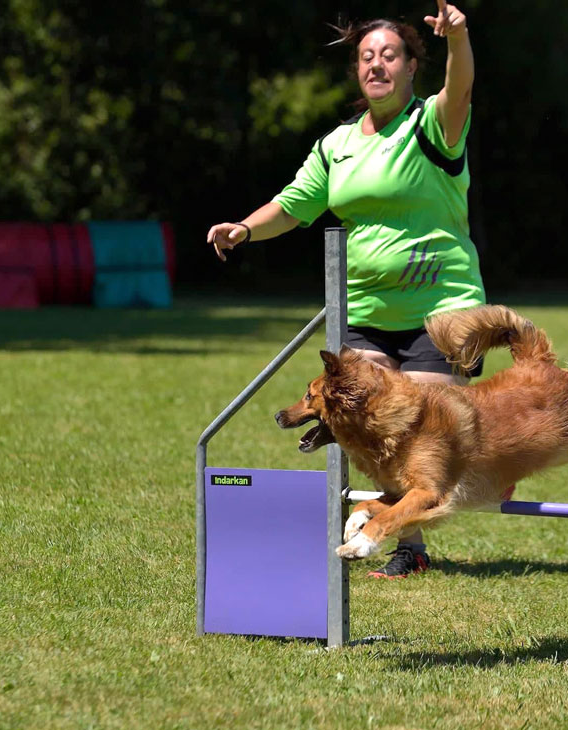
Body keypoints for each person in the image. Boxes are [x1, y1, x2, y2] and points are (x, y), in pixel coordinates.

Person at [207, 2, 484, 578]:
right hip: (364, 310)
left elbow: (460, 90)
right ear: (357, 71)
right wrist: (244, 230)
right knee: (359, 420)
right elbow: (293, 204)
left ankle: (408, 544)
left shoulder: (431, 125)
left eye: (389, 55)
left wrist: (458, 39)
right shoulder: (337, 145)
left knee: (419, 437)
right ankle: (392, 530)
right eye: (366, 57)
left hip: (441, 310)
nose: (376, 65)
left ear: (412, 67)